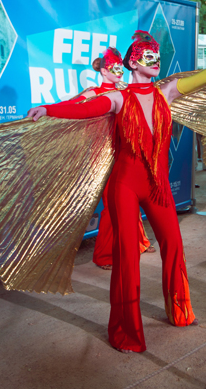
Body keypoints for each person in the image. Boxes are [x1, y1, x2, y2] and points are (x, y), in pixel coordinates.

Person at [28, 31, 206, 353]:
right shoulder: (118, 98)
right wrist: (48, 110)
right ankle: (127, 332)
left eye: (157, 56)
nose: (156, 61)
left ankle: (181, 311)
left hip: (157, 188)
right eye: (148, 57)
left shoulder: (167, 92)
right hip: (124, 187)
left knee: (173, 244)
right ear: (132, 62)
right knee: (128, 258)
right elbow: (83, 110)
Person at [72, 49, 156, 270]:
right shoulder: (93, 93)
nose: (119, 70)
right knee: (111, 207)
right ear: (102, 70)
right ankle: (104, 255)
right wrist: (47, 111)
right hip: (102, 155)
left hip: (125, 151)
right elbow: (71, 110)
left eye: (121, 66)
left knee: (132, 199)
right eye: (113, 67)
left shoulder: (124, 91)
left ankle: (138, 241)